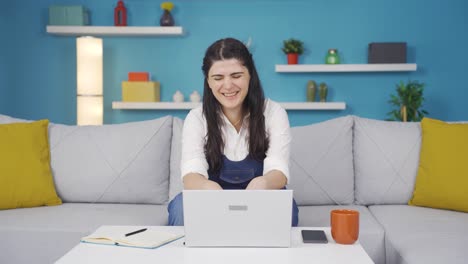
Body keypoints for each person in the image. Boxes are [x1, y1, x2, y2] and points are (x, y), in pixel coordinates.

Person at [167, 37, 299, 226]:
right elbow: (191, 175)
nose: (228, 85)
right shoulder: (196, 118)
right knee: (181, 207)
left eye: (236, 76)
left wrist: (265, 183)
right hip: (211, 199)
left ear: (250, 75)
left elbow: (279, 171)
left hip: (261, 199)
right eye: (218, 78)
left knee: (287, 207)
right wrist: (207, 187)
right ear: (208, 82)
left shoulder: (273, 113)